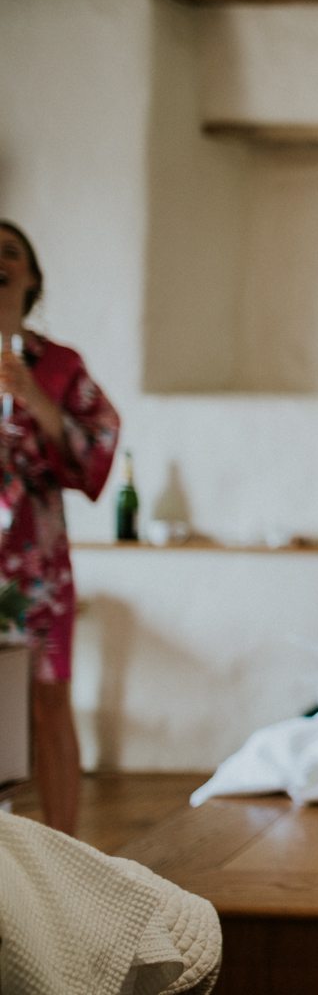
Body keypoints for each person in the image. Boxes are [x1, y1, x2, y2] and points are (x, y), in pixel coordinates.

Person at [0, 221, 120, 836]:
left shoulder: (61, 366)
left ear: (32, 278)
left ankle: (66, 852)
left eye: (11, 252)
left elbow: (99, 447)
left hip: (35, 562)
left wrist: (37, 401)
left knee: (48, 700)